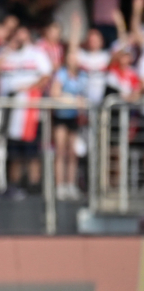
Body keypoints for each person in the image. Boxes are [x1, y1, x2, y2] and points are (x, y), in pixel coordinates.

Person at [0, 26, 52, 197]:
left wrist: (28, 89)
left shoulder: (37, 53)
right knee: (13, 150)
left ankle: (32, 186)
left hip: (30, 110)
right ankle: (14, 185)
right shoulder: (3, 52)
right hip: (8, 109)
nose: (20, 40)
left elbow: (46, 76)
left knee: (32, 150)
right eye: (17, 36)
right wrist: (9, 49)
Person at [51, 50, 87, 200]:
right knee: (60, 151)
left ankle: (71, 184)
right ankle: (59, 186)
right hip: (61, 117)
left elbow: (84, 97)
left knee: (72, 153)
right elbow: (55, 93)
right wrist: (71, 100)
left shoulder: (82, 76)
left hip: (74, 118)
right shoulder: (61, 74)